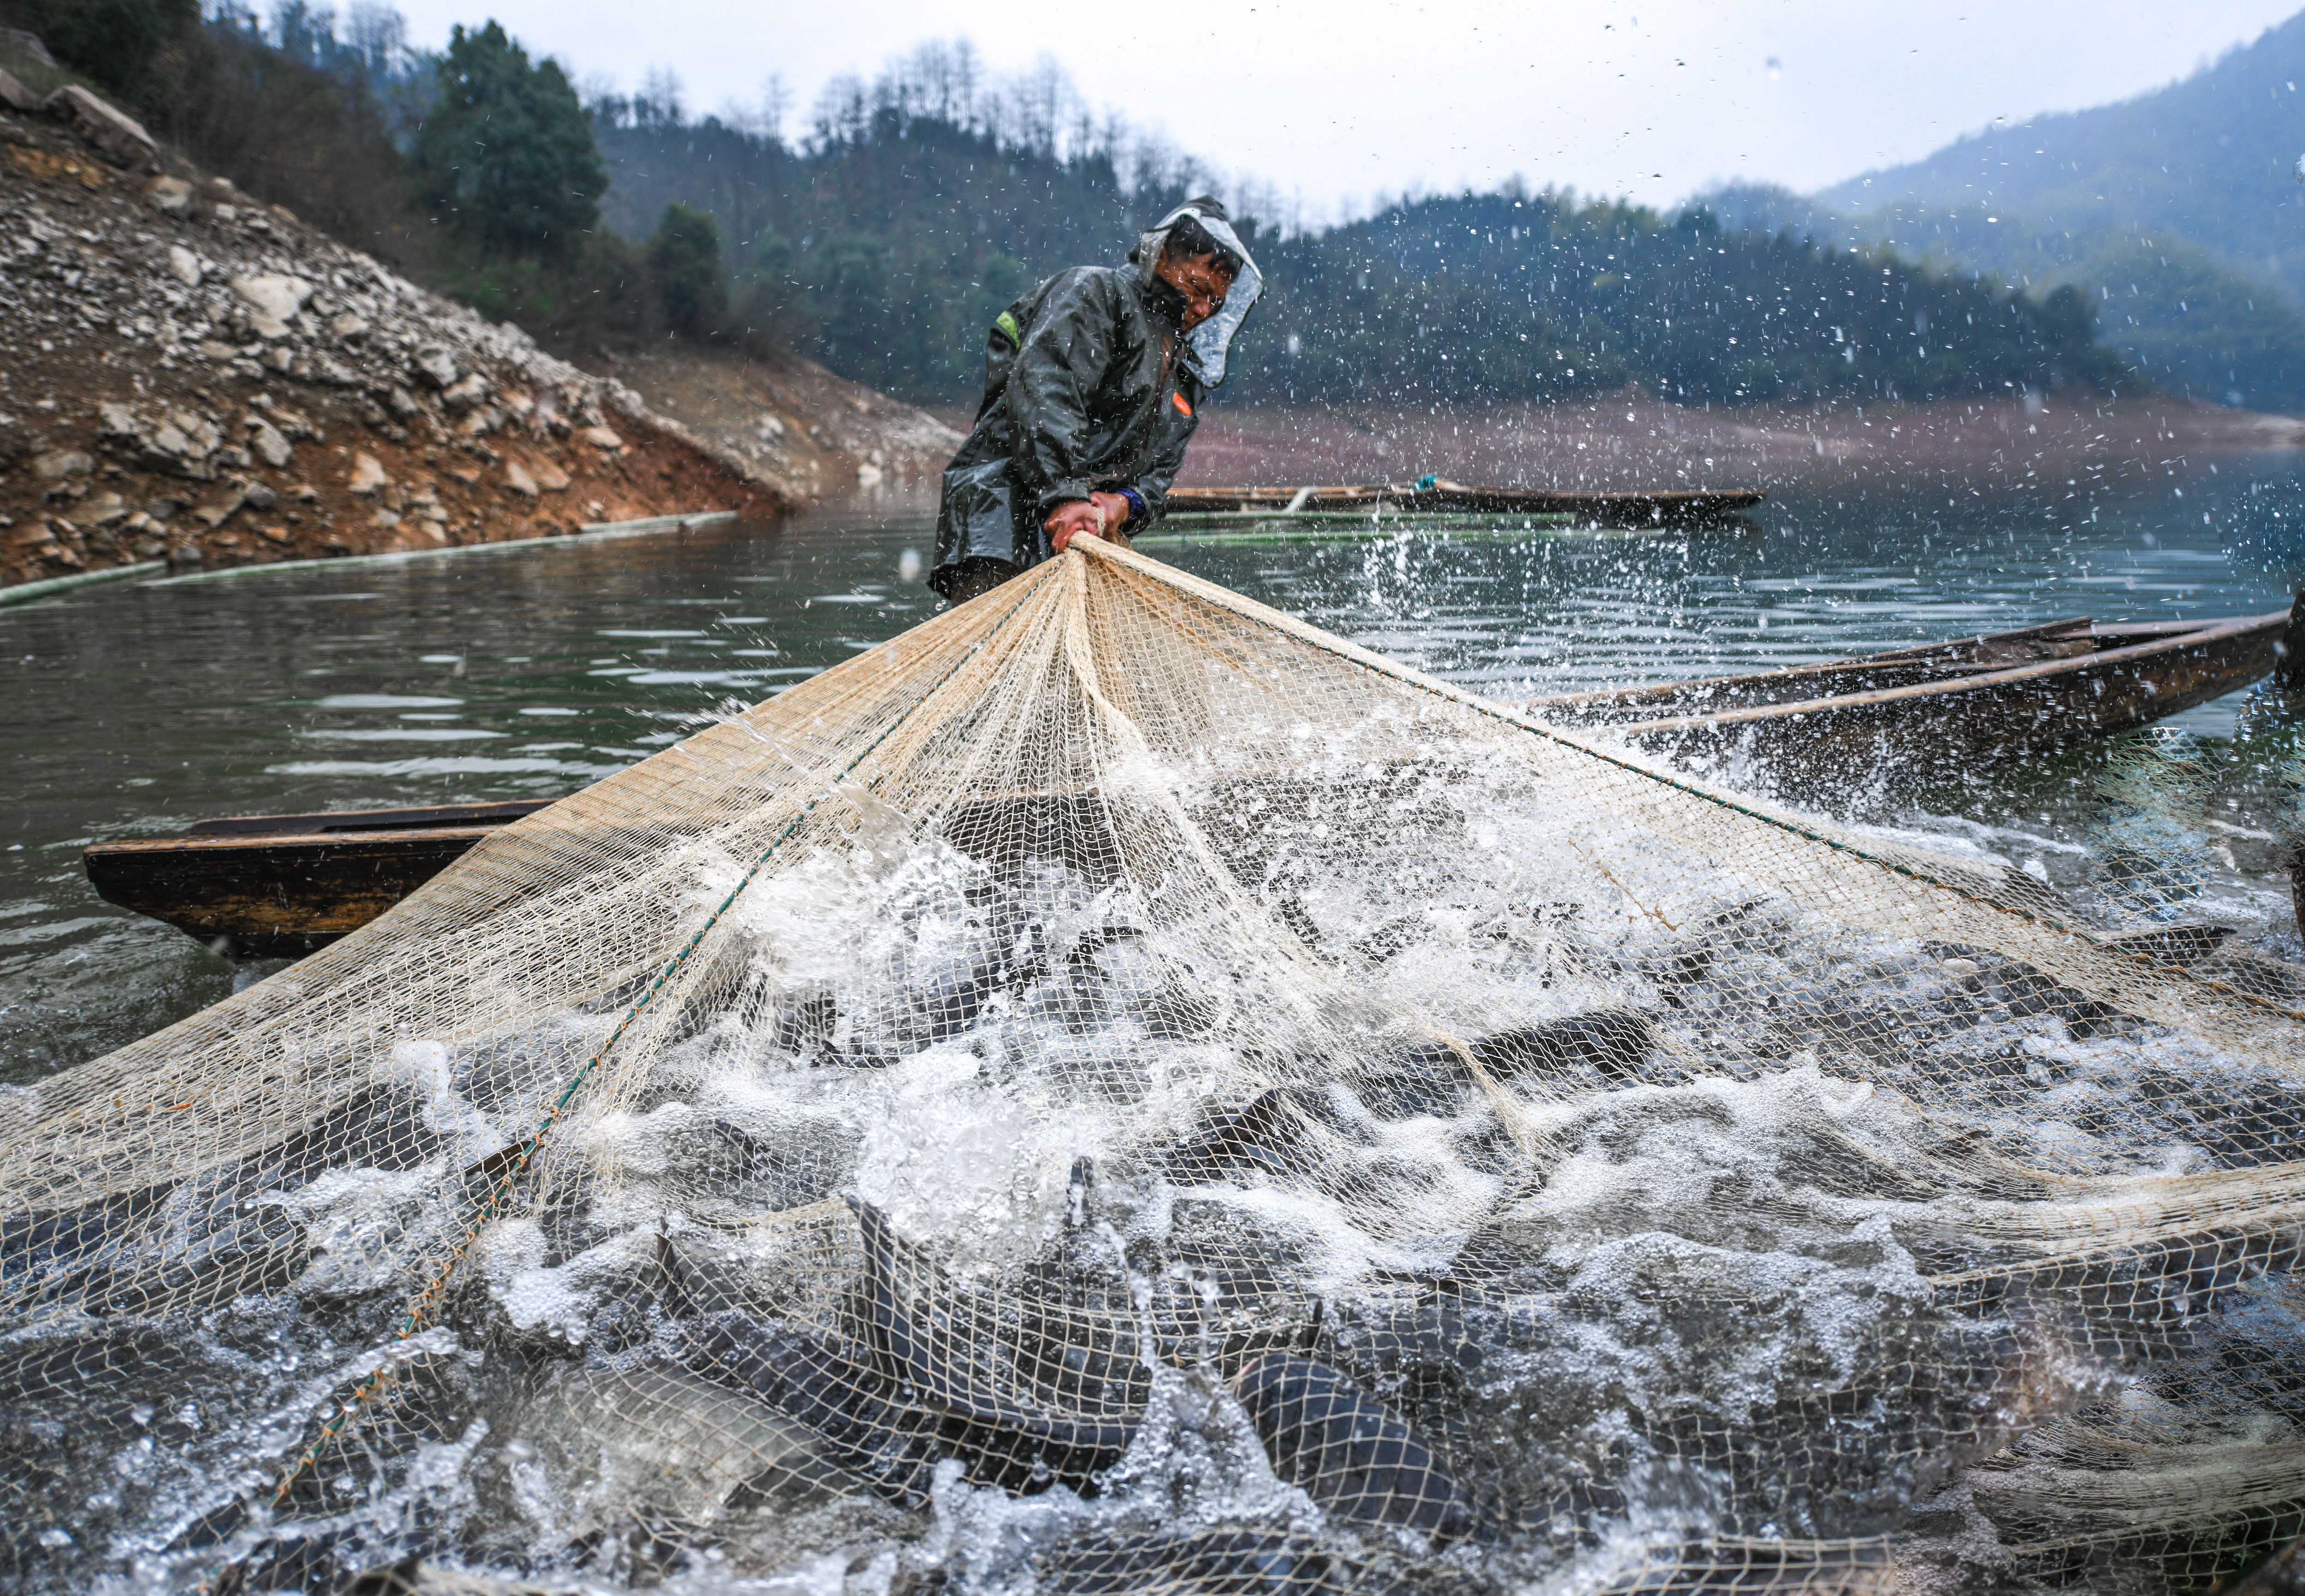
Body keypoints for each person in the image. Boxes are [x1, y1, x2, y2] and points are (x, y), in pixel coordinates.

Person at [927, 196, 1264, 603]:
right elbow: (1048, 390)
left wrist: (1125, 503)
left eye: (1217, 301)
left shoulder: (1183, 372)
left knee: (1072, 667)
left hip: (1085, 538)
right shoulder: (1098, 294)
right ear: (1160, 257)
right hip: (1002, 517)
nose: (1203, 308)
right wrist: (1064, 496)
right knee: (1001, 658)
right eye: (1196, 287)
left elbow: (1159, 474)